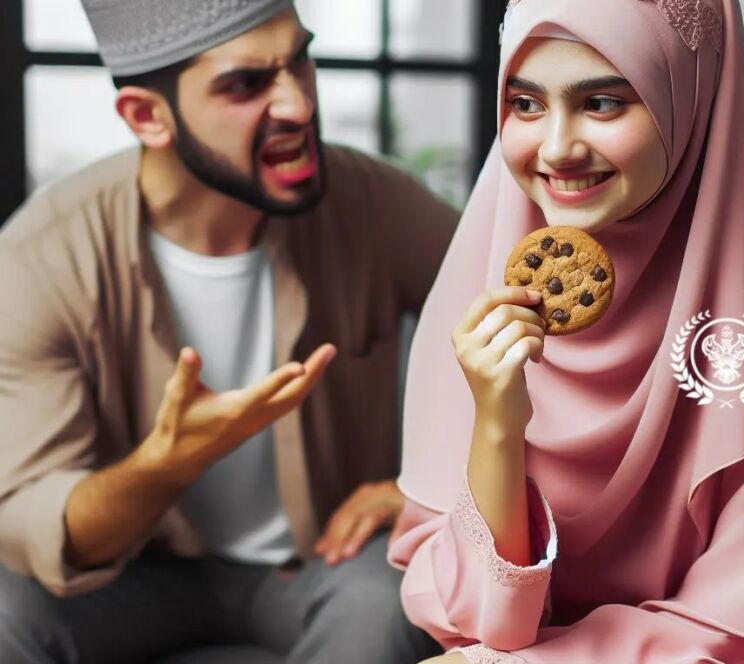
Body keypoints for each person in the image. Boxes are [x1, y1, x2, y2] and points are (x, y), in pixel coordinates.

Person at [388, 0, 744, 662]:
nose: (558, 148)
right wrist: (497, 427)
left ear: (689, 92)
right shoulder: (480, 279)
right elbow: (471, 619)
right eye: (527, 103)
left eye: (601, 103)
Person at [0, 1, 457, 662]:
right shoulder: (38, 259)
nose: (298, 104)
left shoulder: (374, 201)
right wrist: (167, 464)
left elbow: (529, 329)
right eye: (245, 85)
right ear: (146, 117)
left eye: (300, 58)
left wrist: (429, 489)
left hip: (326, 561)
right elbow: (34, 519)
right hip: (133, 575)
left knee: (386, 602)